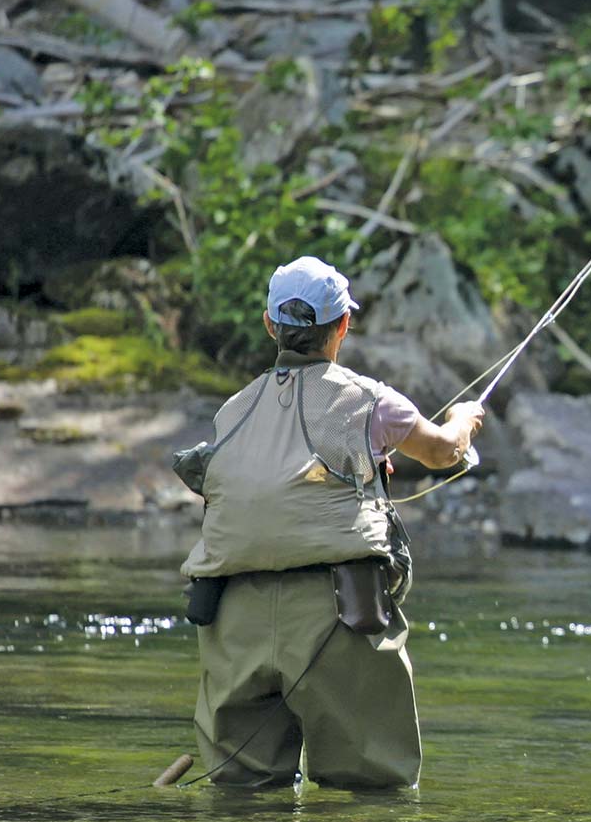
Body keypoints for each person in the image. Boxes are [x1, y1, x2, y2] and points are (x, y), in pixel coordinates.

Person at [177, 256, 484, 788]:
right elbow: (442, 452)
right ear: (342, 325)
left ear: (271, 324)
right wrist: (466, 418)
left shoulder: (233, 410)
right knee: (370, 793)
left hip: (231, 621)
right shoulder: (369, 400)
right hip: (338, 616)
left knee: (241, 797)